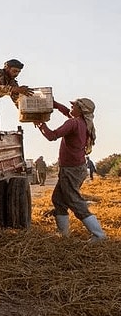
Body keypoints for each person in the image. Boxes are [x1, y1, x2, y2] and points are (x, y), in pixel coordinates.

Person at [34, 97, 106, 241]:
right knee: (58, 200)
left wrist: (41, 124)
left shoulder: (73, 123)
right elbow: (67, 112)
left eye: (74, 106)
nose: (71, 108)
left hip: (71, 170)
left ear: (80, 110)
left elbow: (52, 136)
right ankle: (63, 235)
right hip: (76, 168)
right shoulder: (84, 122)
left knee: (74, 201)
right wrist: (53, 104)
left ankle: (99, 235)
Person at [0, 59, 34, 129]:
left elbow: (17, 101)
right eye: (14, 71)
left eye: (18, 72)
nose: (16, 74)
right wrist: (15, 89)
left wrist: (30, 115)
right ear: (7, 68)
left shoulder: (12, 82)